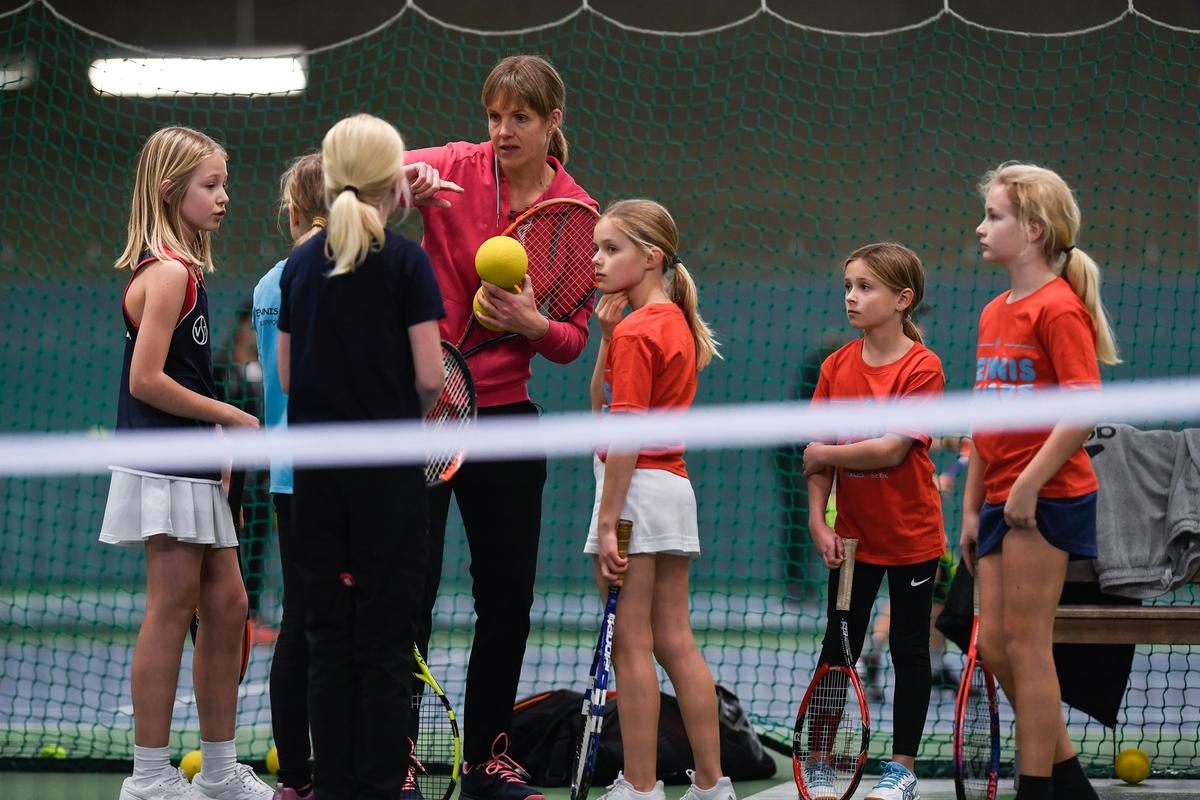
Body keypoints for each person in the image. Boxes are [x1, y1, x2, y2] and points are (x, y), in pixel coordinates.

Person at [403, 54, 597, 800]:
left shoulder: (575, 213)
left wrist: (531, 322)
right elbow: (343, 177)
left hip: (509, 423)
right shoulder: (454, 167)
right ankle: (398, 755)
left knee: (508, 601)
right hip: (427, 412)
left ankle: (488, 760)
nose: (503, 130)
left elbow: (572, 340)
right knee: (408, 592)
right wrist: (399, 185)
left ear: (553, 122)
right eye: (494, 115)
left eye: (520, 117)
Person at [99, 126, 271, 800]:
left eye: (225, 184)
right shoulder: (168, 274)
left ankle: (219, 771)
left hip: (193, 459)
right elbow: (145, 380)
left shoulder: (189, 273)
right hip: (163, 461)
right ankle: (148, 778)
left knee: (227, 604)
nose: (224, 197)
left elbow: (184, 375)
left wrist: (216, 440)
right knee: (171, 608)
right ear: (171, 191)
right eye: (210, 185)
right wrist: (231, 417)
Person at [277, 114, 445, 800]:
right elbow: (431, 377)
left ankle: (335, 787)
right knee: (385, 641)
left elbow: (287, 376)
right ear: (392, 181)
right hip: (388, 477)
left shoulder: (297, 265)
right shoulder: (407, 262)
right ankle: (381, 788)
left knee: (326, 638)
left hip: (317, 478)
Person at [962, 162, 1118, 800]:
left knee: (1027, 645)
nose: (981, 227)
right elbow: (985, 418)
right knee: (997, 647)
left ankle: (1037, 788)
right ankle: (1071, 779)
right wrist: (971, 507)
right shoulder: (993, 311)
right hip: (1000, 498)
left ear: (1033, 230)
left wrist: (1027, 483)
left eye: (994, 216)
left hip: (1047, 497)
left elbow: (1082, 408)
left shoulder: (1058, 308)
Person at [584, 198, 732, 800]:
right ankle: (712, 785)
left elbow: (620, 432)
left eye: (611, 249)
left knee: (632, 644)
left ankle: (641, 786)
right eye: (597, 248)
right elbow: (602, 405)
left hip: (635, 494)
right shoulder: (667, 322)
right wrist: (605, 338)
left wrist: (608, 519)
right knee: (675, 639)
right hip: (671, 490)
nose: (597, 260)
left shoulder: (641, 329)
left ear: (650, 257)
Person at [801, 242, 946, 800]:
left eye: (865, 287)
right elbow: (815, 459)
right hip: (851, 542)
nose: (851, 297)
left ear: (903, 299)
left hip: (913, 538)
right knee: (837, 650)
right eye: (848, 286)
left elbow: (890, 448)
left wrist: (827, 452)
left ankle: (901, 771)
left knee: (910, 651)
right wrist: (818, 521)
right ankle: (818, 759)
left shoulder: (922, 367)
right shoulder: (835, 367)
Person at [253, 151, 324, 800]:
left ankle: (297, 778)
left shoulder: (266, 285)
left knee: (300, 619)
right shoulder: (332, 276)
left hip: (285, 475)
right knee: (326, 625)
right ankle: (318, 772)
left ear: (294, 212)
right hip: (328, 474)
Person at [213, 300, 272, 638]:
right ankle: (227, 614)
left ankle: (254, 615)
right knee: (229, 544)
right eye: (249, 327)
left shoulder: (268, 368)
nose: (253, 334)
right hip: (229, 473)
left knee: (258, 544)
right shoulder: (222, 368)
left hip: (261, 474)